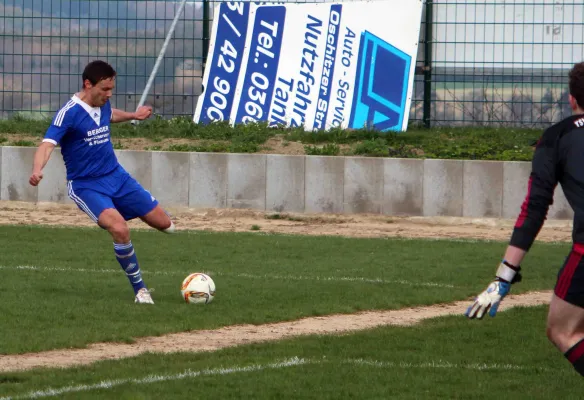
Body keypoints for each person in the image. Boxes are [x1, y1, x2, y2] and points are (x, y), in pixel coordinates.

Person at [465, 61, 584, 377]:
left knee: (564, 330)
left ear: (571, 100)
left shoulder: (557, 137)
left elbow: (534, 209)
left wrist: (504, 277)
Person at [29, 60, 175, 304]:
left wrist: (133, 115)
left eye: (111, 89)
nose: (109, 95)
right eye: (104, 89)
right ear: (88, 84)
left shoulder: (102, 104)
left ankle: (130, 209)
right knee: (119, 229)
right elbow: (47, 144)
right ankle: (140, 291)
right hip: (86, 186)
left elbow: (109, 115)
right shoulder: (69, 113)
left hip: (117, 177)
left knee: (165, 224)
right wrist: (36, 170)